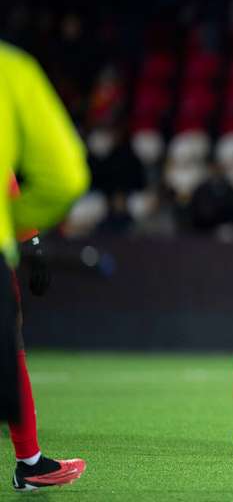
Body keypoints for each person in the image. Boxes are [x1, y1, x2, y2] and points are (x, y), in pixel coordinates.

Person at [0, 41, 90, 490]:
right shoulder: (10, 68)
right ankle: (30, 461)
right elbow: (63, 176)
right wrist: (28, 237)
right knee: (7, 349)